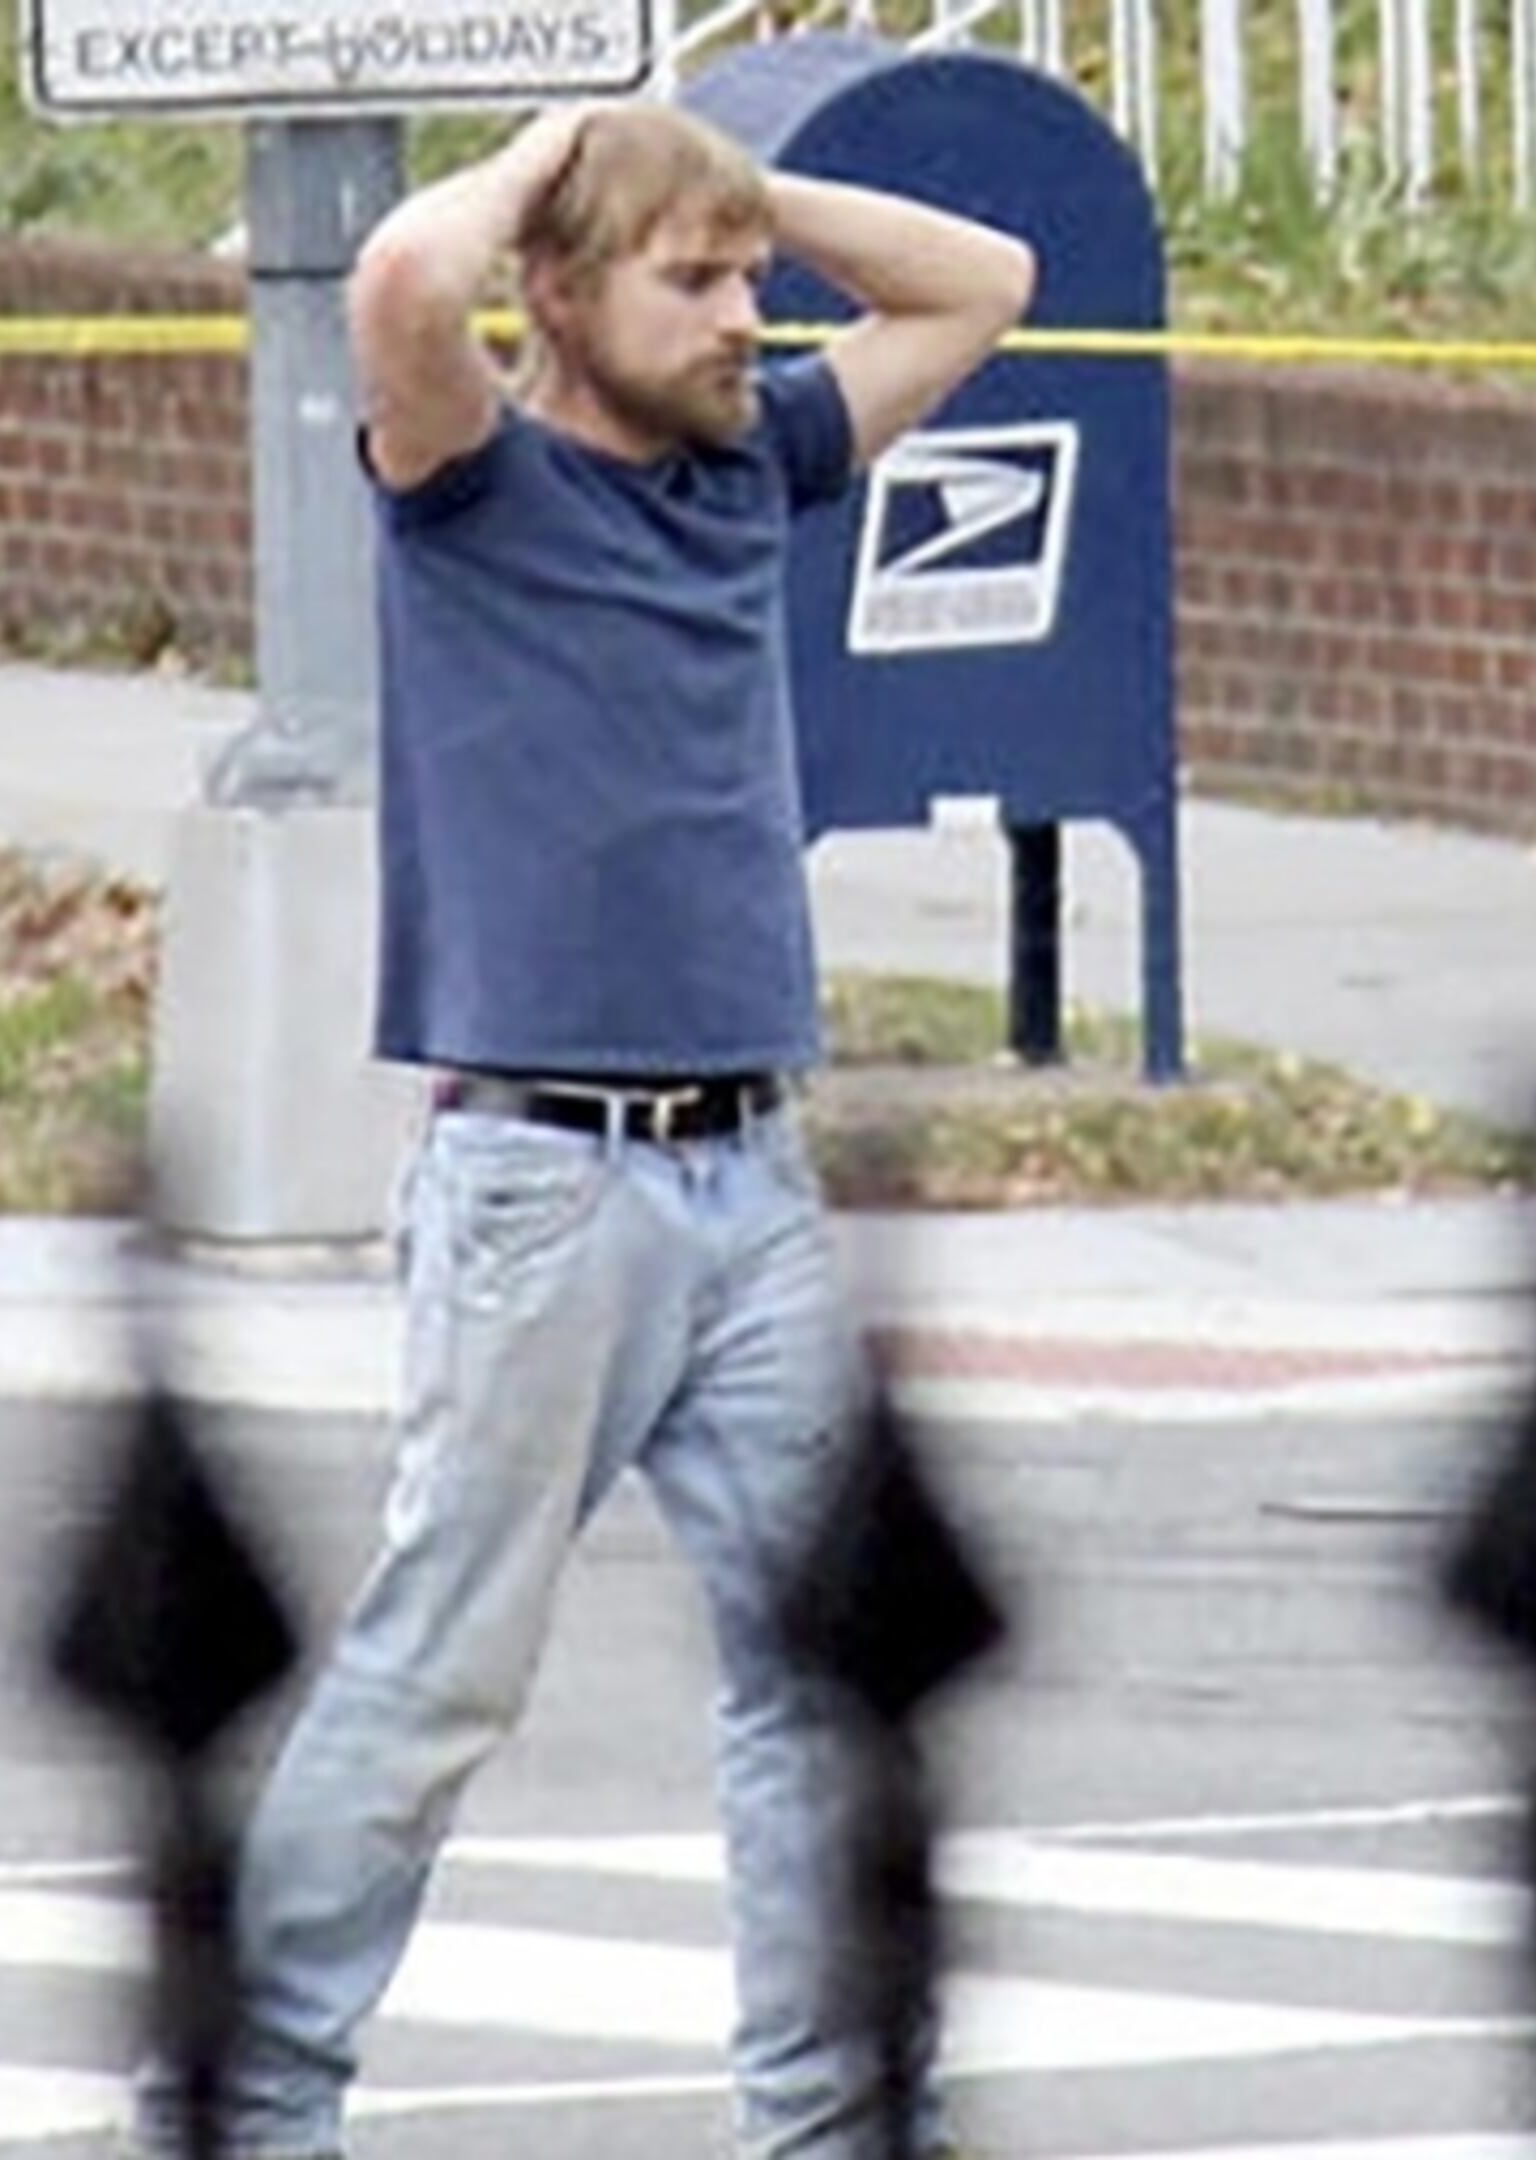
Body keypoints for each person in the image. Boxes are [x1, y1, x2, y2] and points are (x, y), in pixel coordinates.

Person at [152, 98, 1034, 2160]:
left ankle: (830, 2119)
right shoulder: (472, 483)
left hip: (756, 1174)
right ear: (557, 292)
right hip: (544, 1184)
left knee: (827, 1665)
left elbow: (984, 285)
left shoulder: (754, 465)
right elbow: (399, 278)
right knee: (442, 1670)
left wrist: (719, 181)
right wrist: (562, 148)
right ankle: (251, 2094)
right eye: (693, 283)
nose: (744, 318)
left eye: (751, 286)